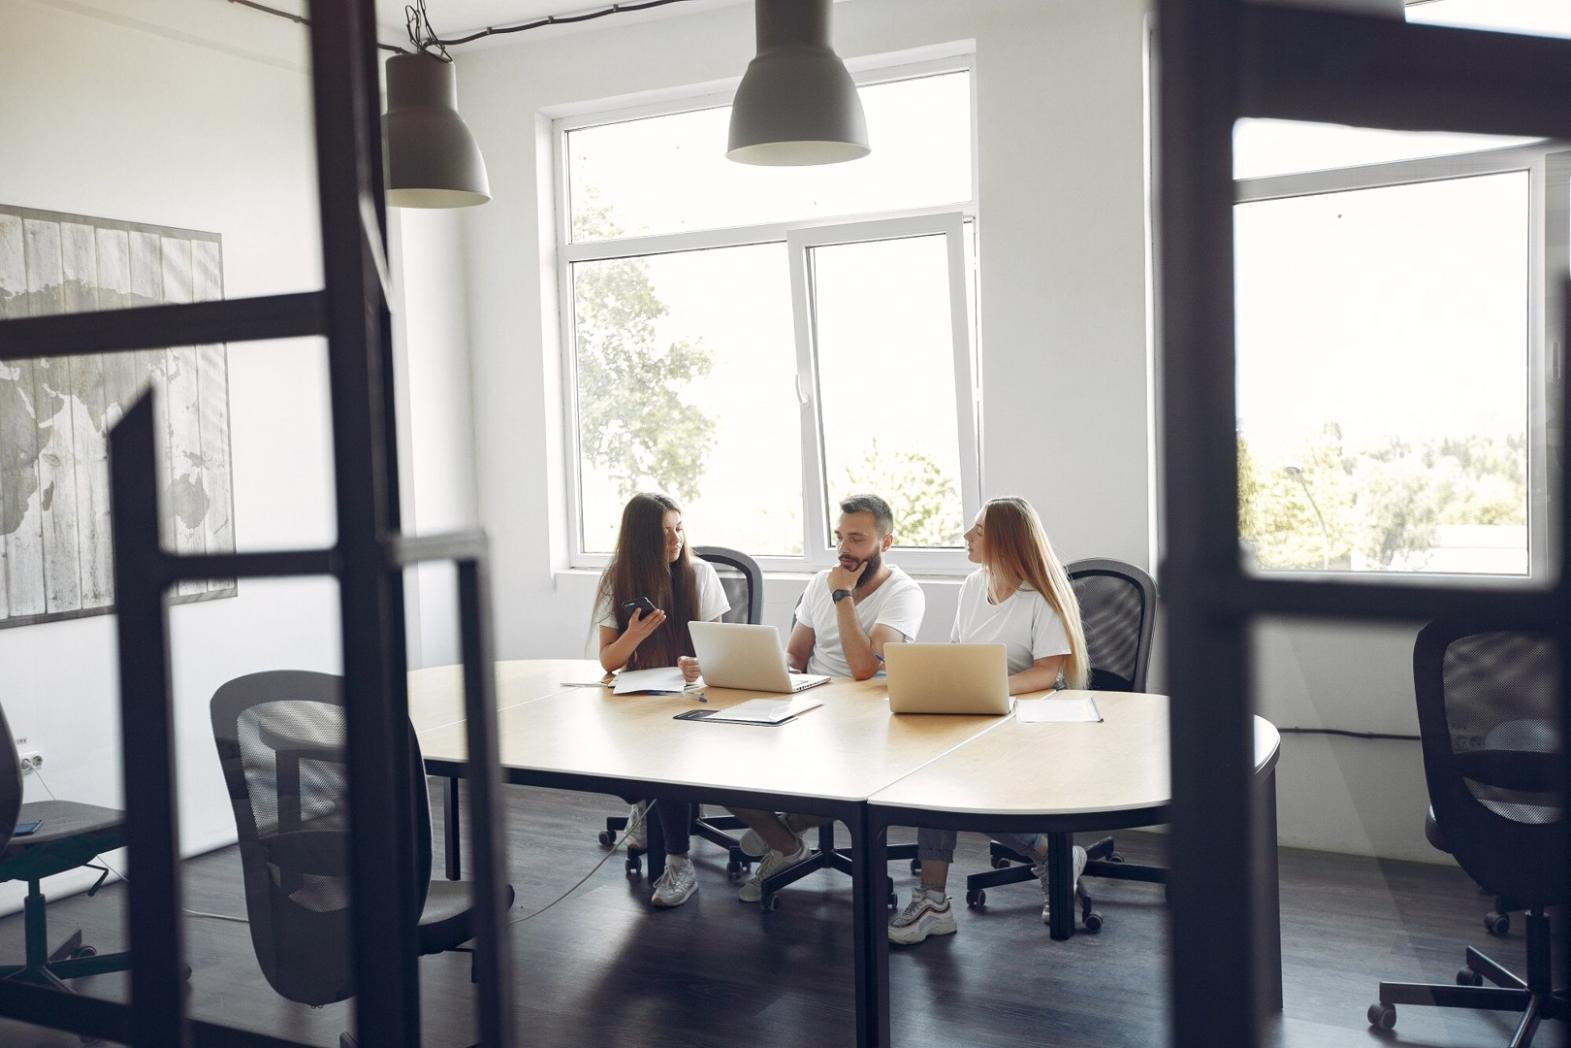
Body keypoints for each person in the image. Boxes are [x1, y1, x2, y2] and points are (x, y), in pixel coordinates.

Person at [887, 495, 1091, 945]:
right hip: (983, 708)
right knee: (933, 777)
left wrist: (992, 688)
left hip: (1036, 716)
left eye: (977, 530)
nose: (966, 536)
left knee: (956, 785)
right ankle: (940, 898)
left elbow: (1047, 672)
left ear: (1005, 539)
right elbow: (962, 652)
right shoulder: (971, 587)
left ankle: (1044, 857)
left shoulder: (1041, 596)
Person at [728, 494, 926, 903]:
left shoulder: (904, 593)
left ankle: (783, 828)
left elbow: (863, 668)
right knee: (722, 764)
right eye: (840, 538)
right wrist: (781, 669)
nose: (844, 550)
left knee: (841, 779)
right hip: (813, 704)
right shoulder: (820, 582)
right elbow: (796, 653)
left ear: (885, 543)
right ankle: (788, 845)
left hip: (869, 718)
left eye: (856, 539)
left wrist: (844, 596)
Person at [593, 492, 731, 908]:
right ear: (639, 541)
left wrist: (698, 665)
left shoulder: (699, 573)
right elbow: (608, 661)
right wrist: (634, 634)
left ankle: (678, 862)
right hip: (637, 694)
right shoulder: (618, 578)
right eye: (663, 533)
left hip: (691, 695)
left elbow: (719, 650)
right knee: (606, 754)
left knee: (667, 760)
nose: (675, 540)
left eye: (678, 528)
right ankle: (642, 803)